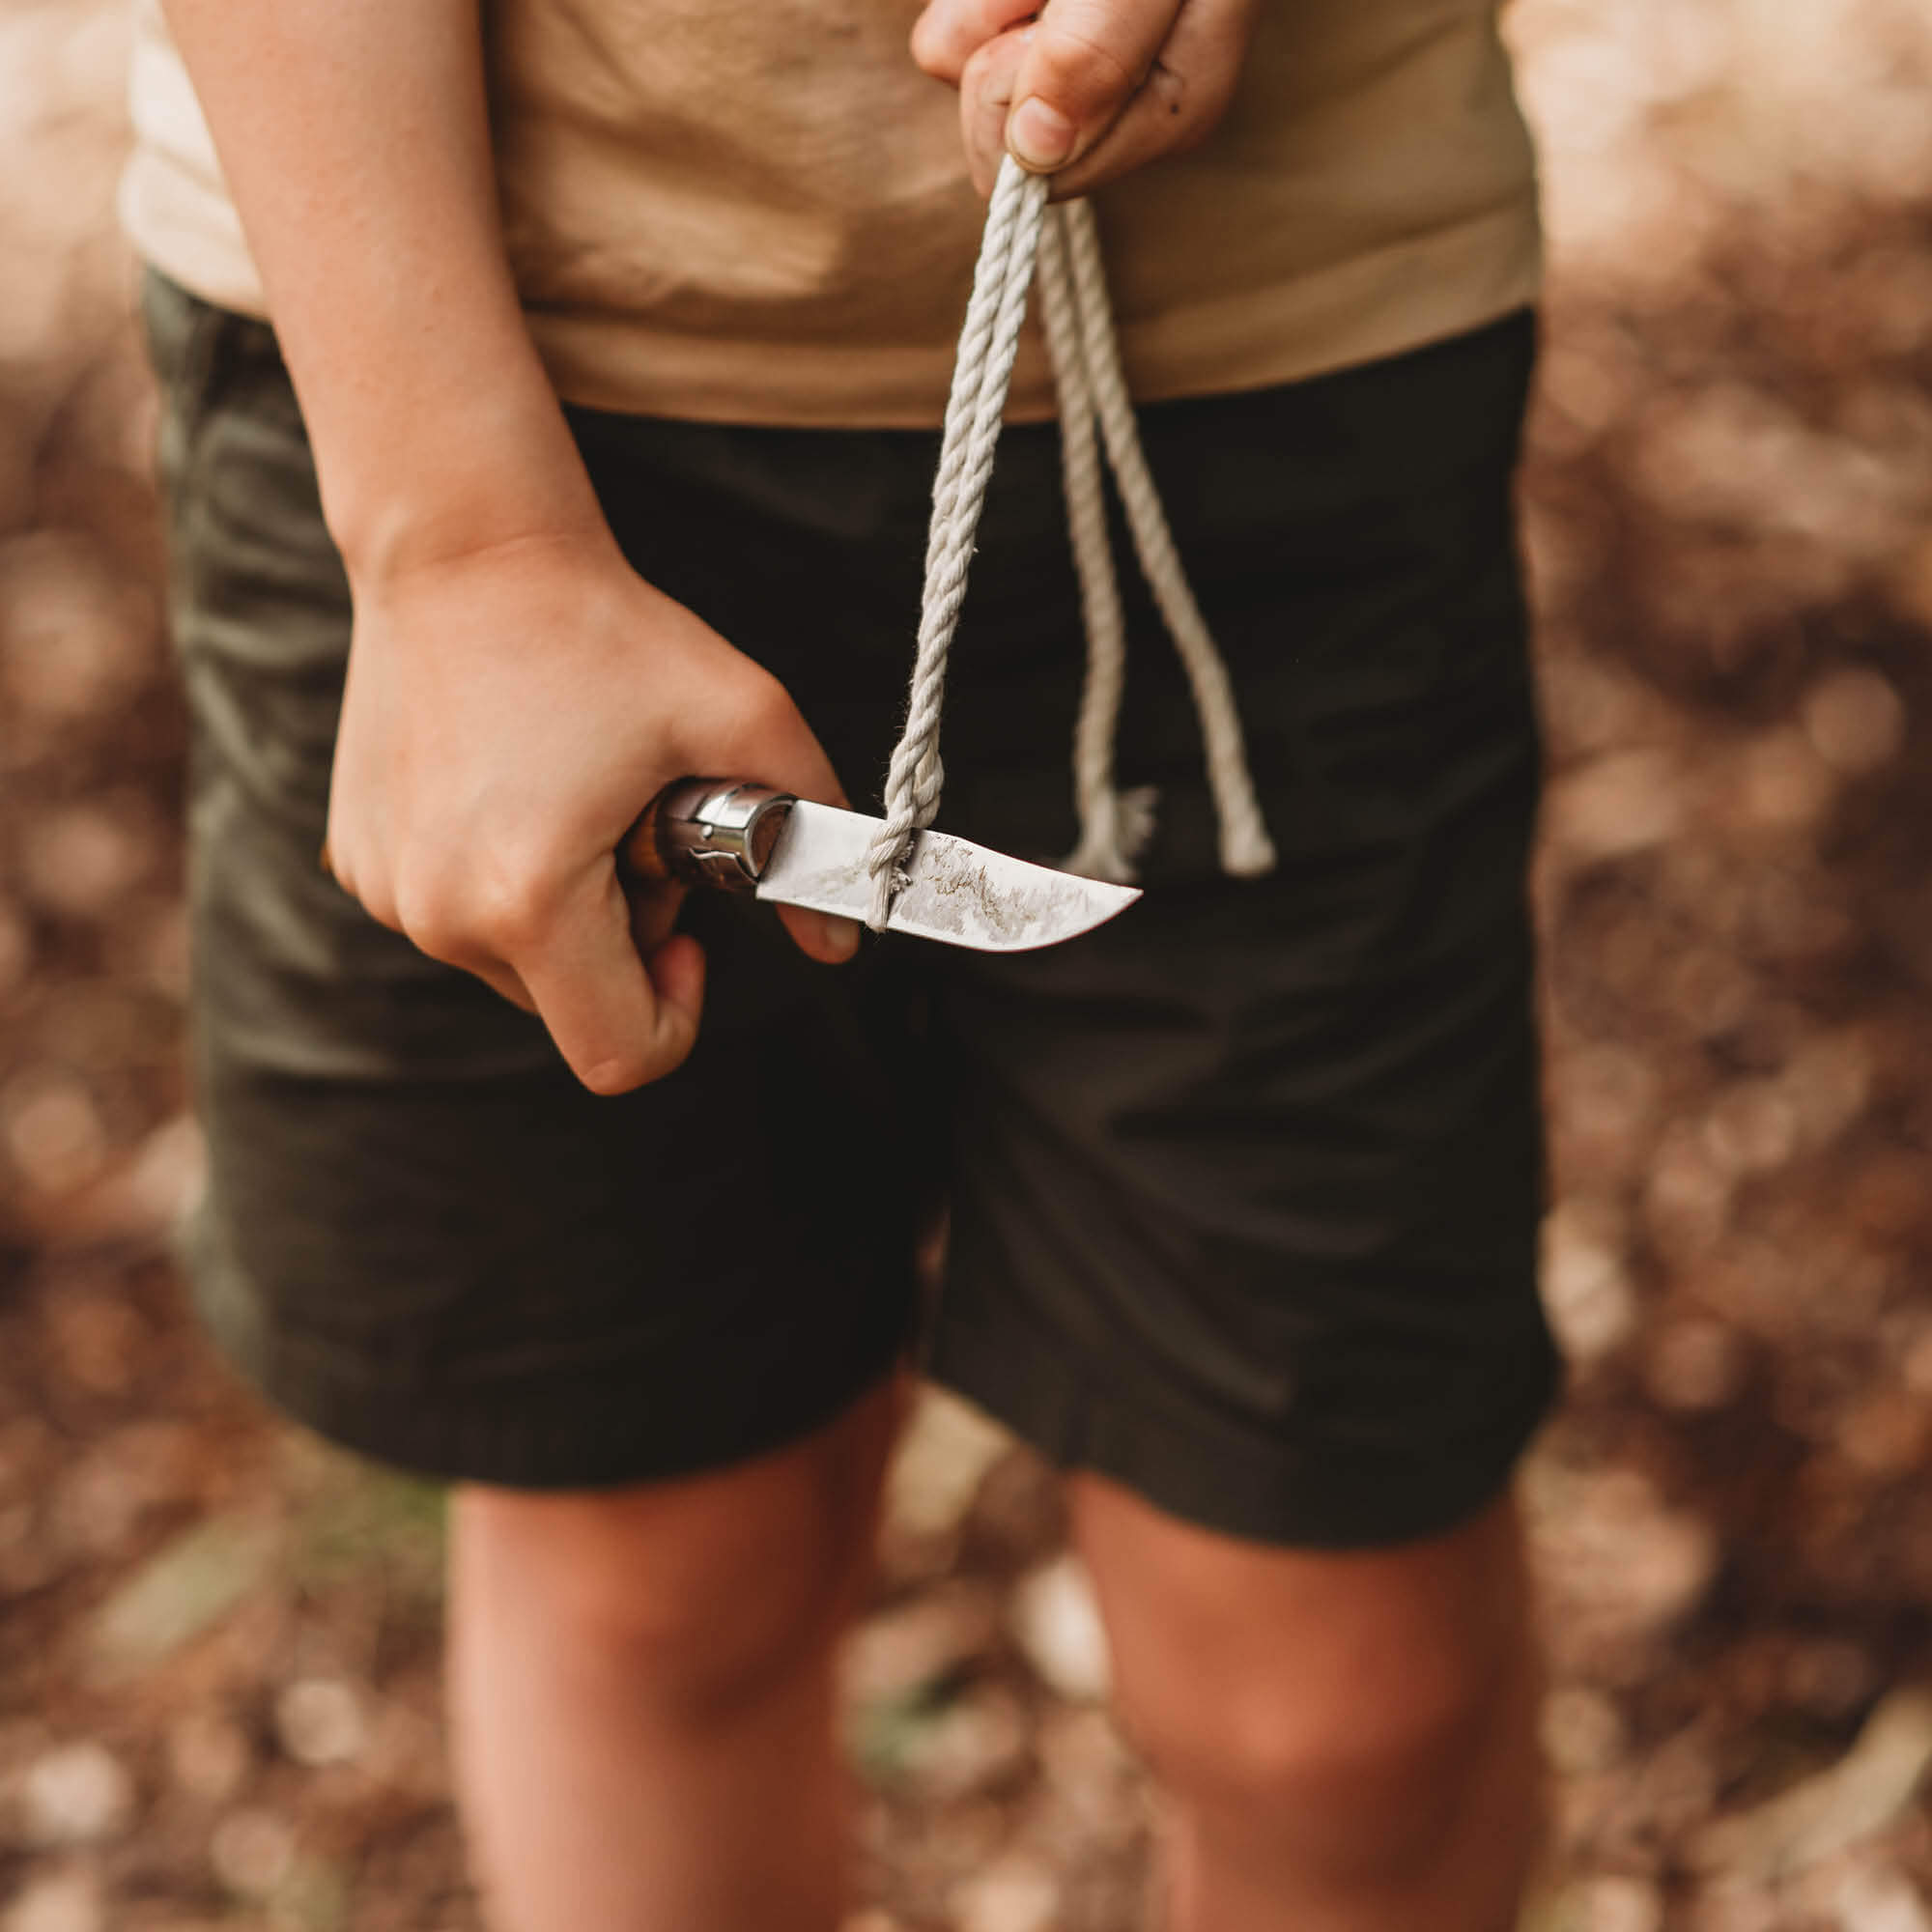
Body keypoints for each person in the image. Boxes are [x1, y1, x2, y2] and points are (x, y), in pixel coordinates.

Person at [125, 0, 1561, 1922]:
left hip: (1283, 351)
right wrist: (454, 539)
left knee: (1340, 1697)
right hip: (456, 346)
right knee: (653, 1567)